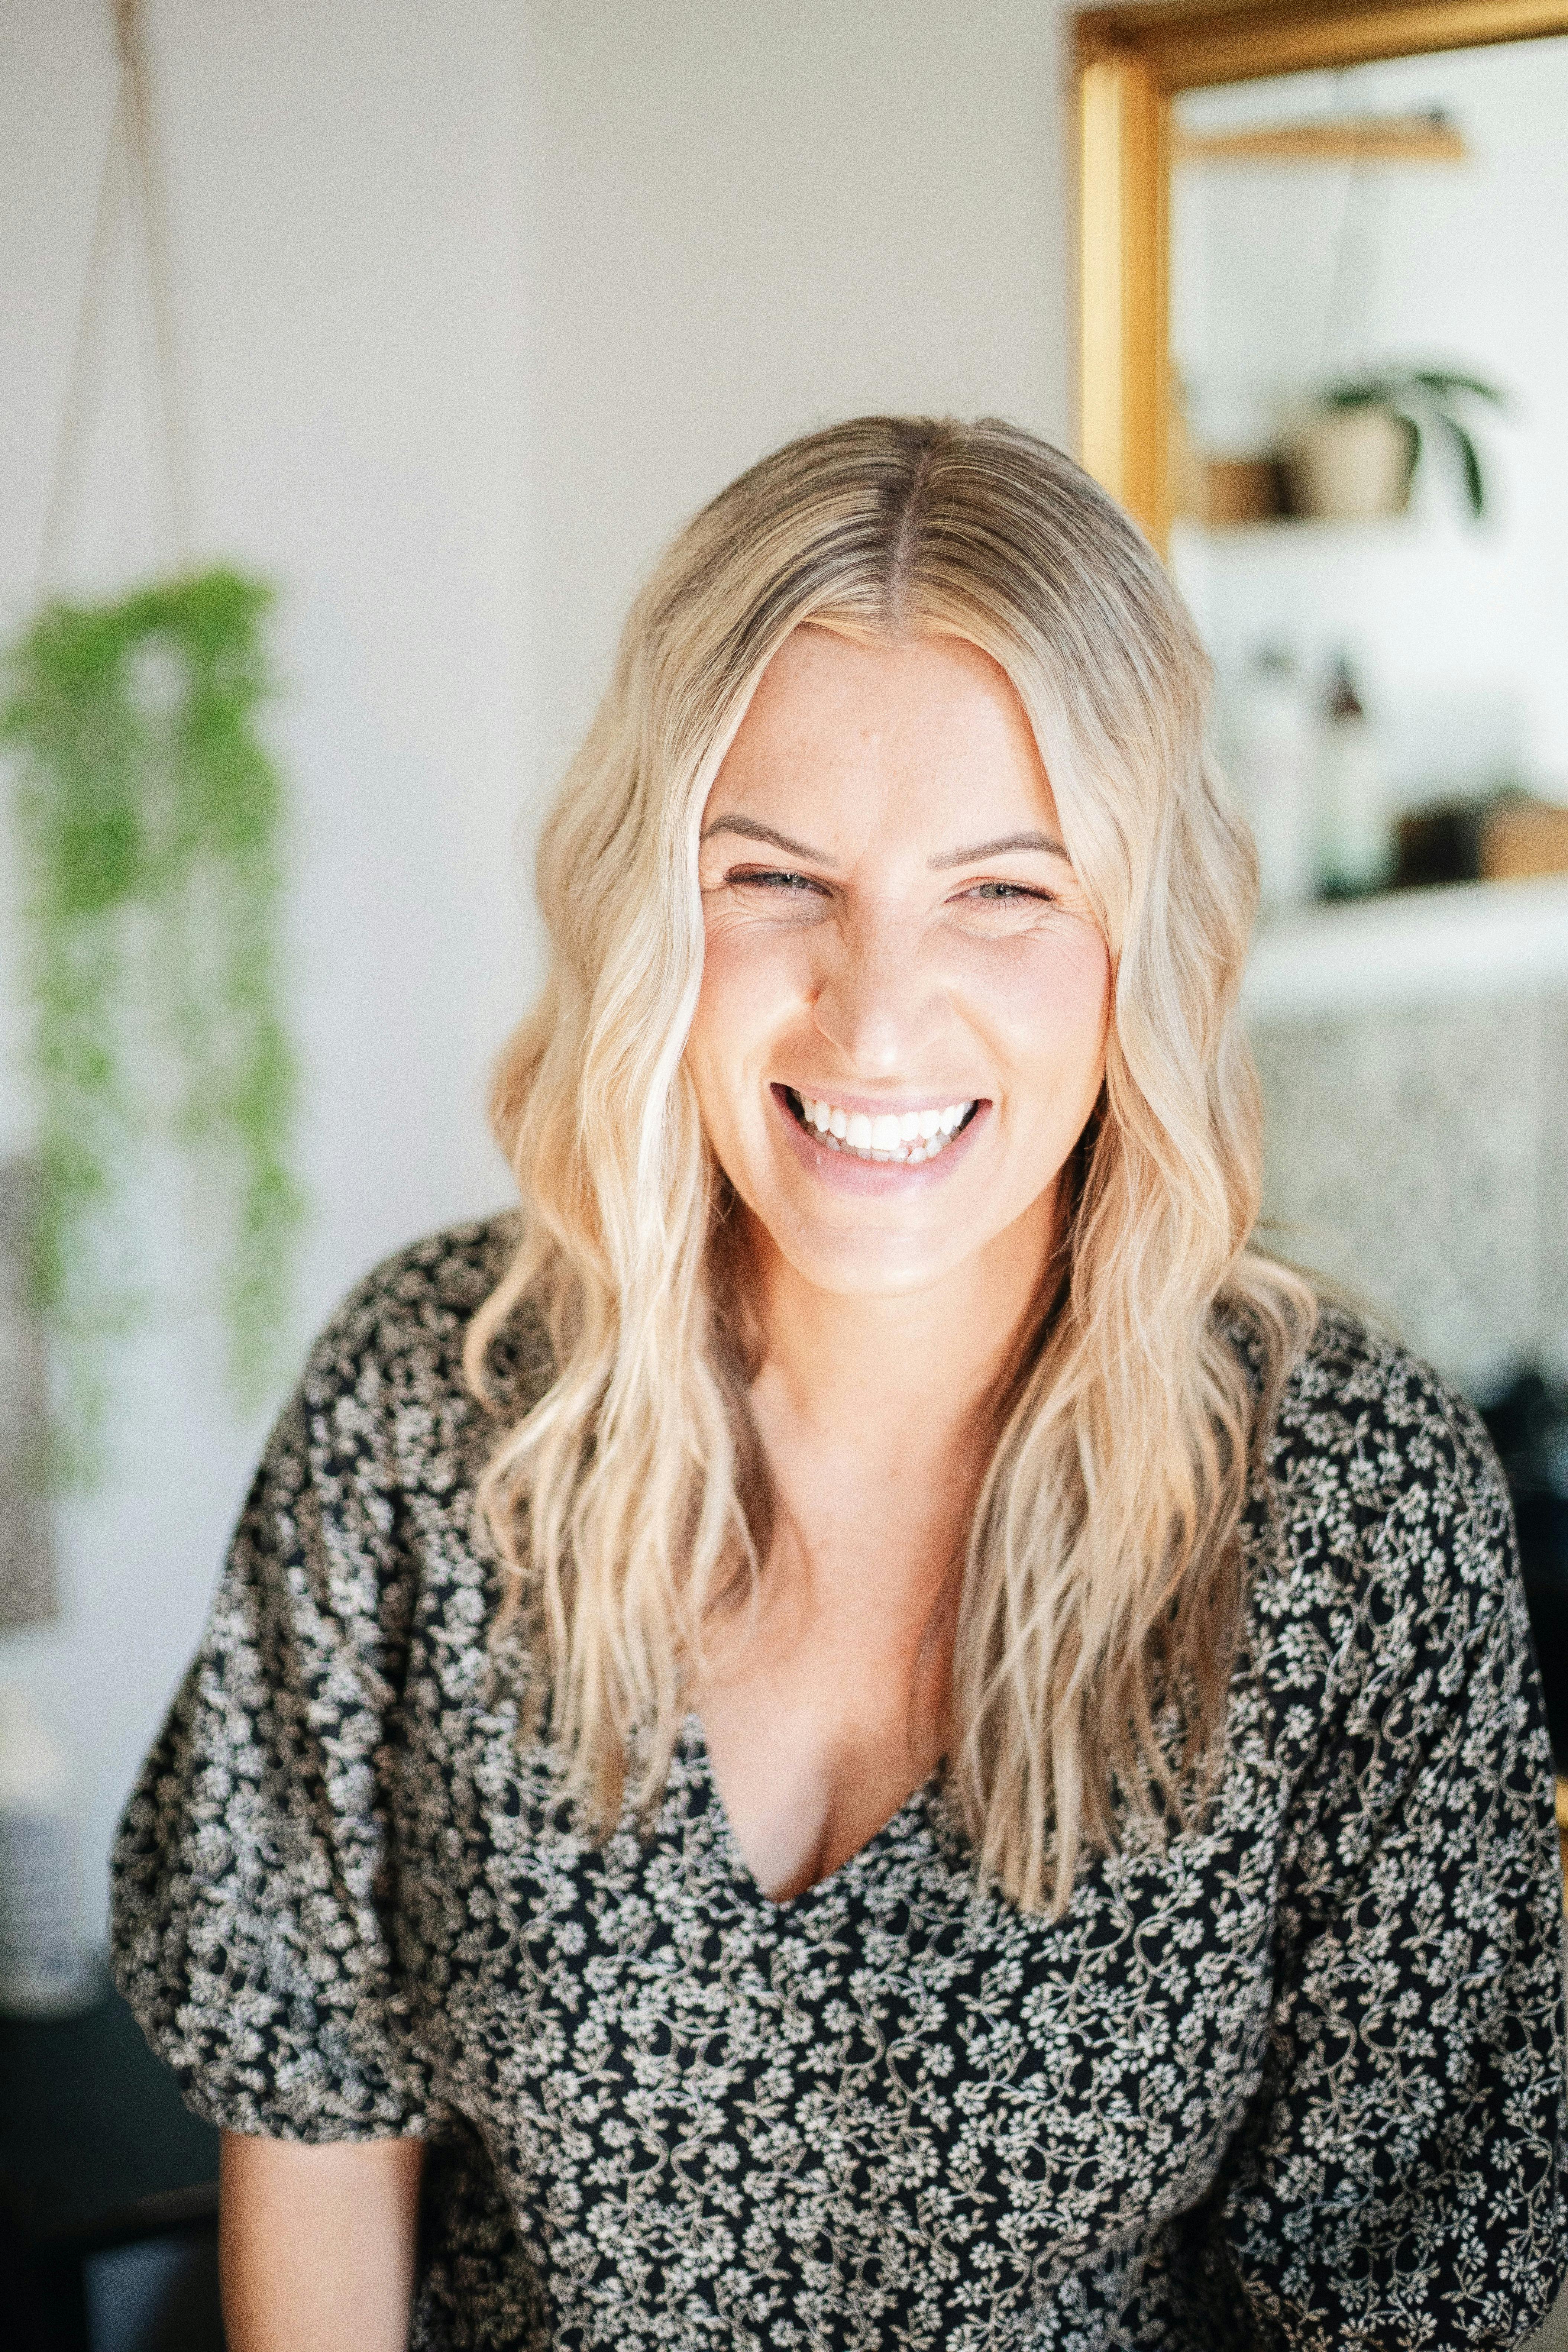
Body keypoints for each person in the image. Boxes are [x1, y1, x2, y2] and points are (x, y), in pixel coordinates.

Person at [111, 416, 1568, 2351]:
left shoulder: (1352, 1509)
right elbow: (314, 2125)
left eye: (1005, 892)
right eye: (777, 878)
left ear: (1144, 933)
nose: (875, 1019)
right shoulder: (428, 1408)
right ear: (652, 902)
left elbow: (1402, 2294)